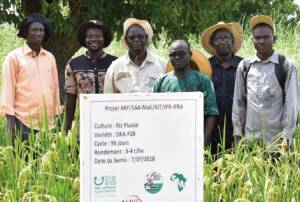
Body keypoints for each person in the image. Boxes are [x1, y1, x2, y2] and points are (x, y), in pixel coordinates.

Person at [232, 15, 298, 147]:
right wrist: (238, 133)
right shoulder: (245, 66)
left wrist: (286, 137)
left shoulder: (285, 65)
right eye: (257, 37)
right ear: (252, 40)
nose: (261, 41)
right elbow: (238, 103)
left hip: (277, 143)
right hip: (250, 142)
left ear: (274, 39)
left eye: (266, 37)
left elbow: (292, 105)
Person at [0, 13, 61, 144]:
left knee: (46, 163)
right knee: (24, 161)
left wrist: (57, 114)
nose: (38, 33)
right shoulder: (14, 57)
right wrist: (10, 121)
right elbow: (8, 89)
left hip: (48, 123)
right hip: (22, 122)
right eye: (34, 30)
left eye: (41, 30)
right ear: (26, 32)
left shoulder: (50, 57)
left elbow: (55, 87)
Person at [153, 40, 219, 146]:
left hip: (196, 138)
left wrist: (204, 142)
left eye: (181, 54)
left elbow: (211, 113)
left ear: (190, 54)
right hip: (168, 139)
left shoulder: (203, 80)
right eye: (172, 55)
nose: (177, 58)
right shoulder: (161, 81)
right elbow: (153, 113)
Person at [65, 20, 117, 131]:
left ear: (104, 39)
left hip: (111, 122)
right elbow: (71, 98)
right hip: (84, 123)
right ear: (85, 39)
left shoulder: (115, 63)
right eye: (89, 36)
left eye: (98, 36)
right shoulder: (74, 64)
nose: (94, 39)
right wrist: (67, 128)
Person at [201, 22, 244, 154]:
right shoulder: (205, 66)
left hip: (237, 128)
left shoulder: (243, 65)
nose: (223, 41)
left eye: (227, 38)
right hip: (211, 128)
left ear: (232, 41)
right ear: (213, 43)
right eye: (219, 38)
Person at [104, 18, 166, 93]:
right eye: (132, 37)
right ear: (126, 40)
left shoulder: (162, 64)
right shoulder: (115, 67)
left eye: (140, 36)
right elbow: (108, 96)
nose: (136, 40)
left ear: (146, 38)